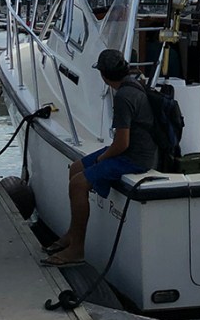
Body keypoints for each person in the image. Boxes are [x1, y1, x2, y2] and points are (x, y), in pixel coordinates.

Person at [44, 48, 157, 266]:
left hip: (134, 158)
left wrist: (100, 159)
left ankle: (77, 249)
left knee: (78, 184)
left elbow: (122, 144)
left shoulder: (124, 97)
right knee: (76, 168)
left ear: (104, 75)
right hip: (133, 150)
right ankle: (72, 234)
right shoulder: (132, 84)